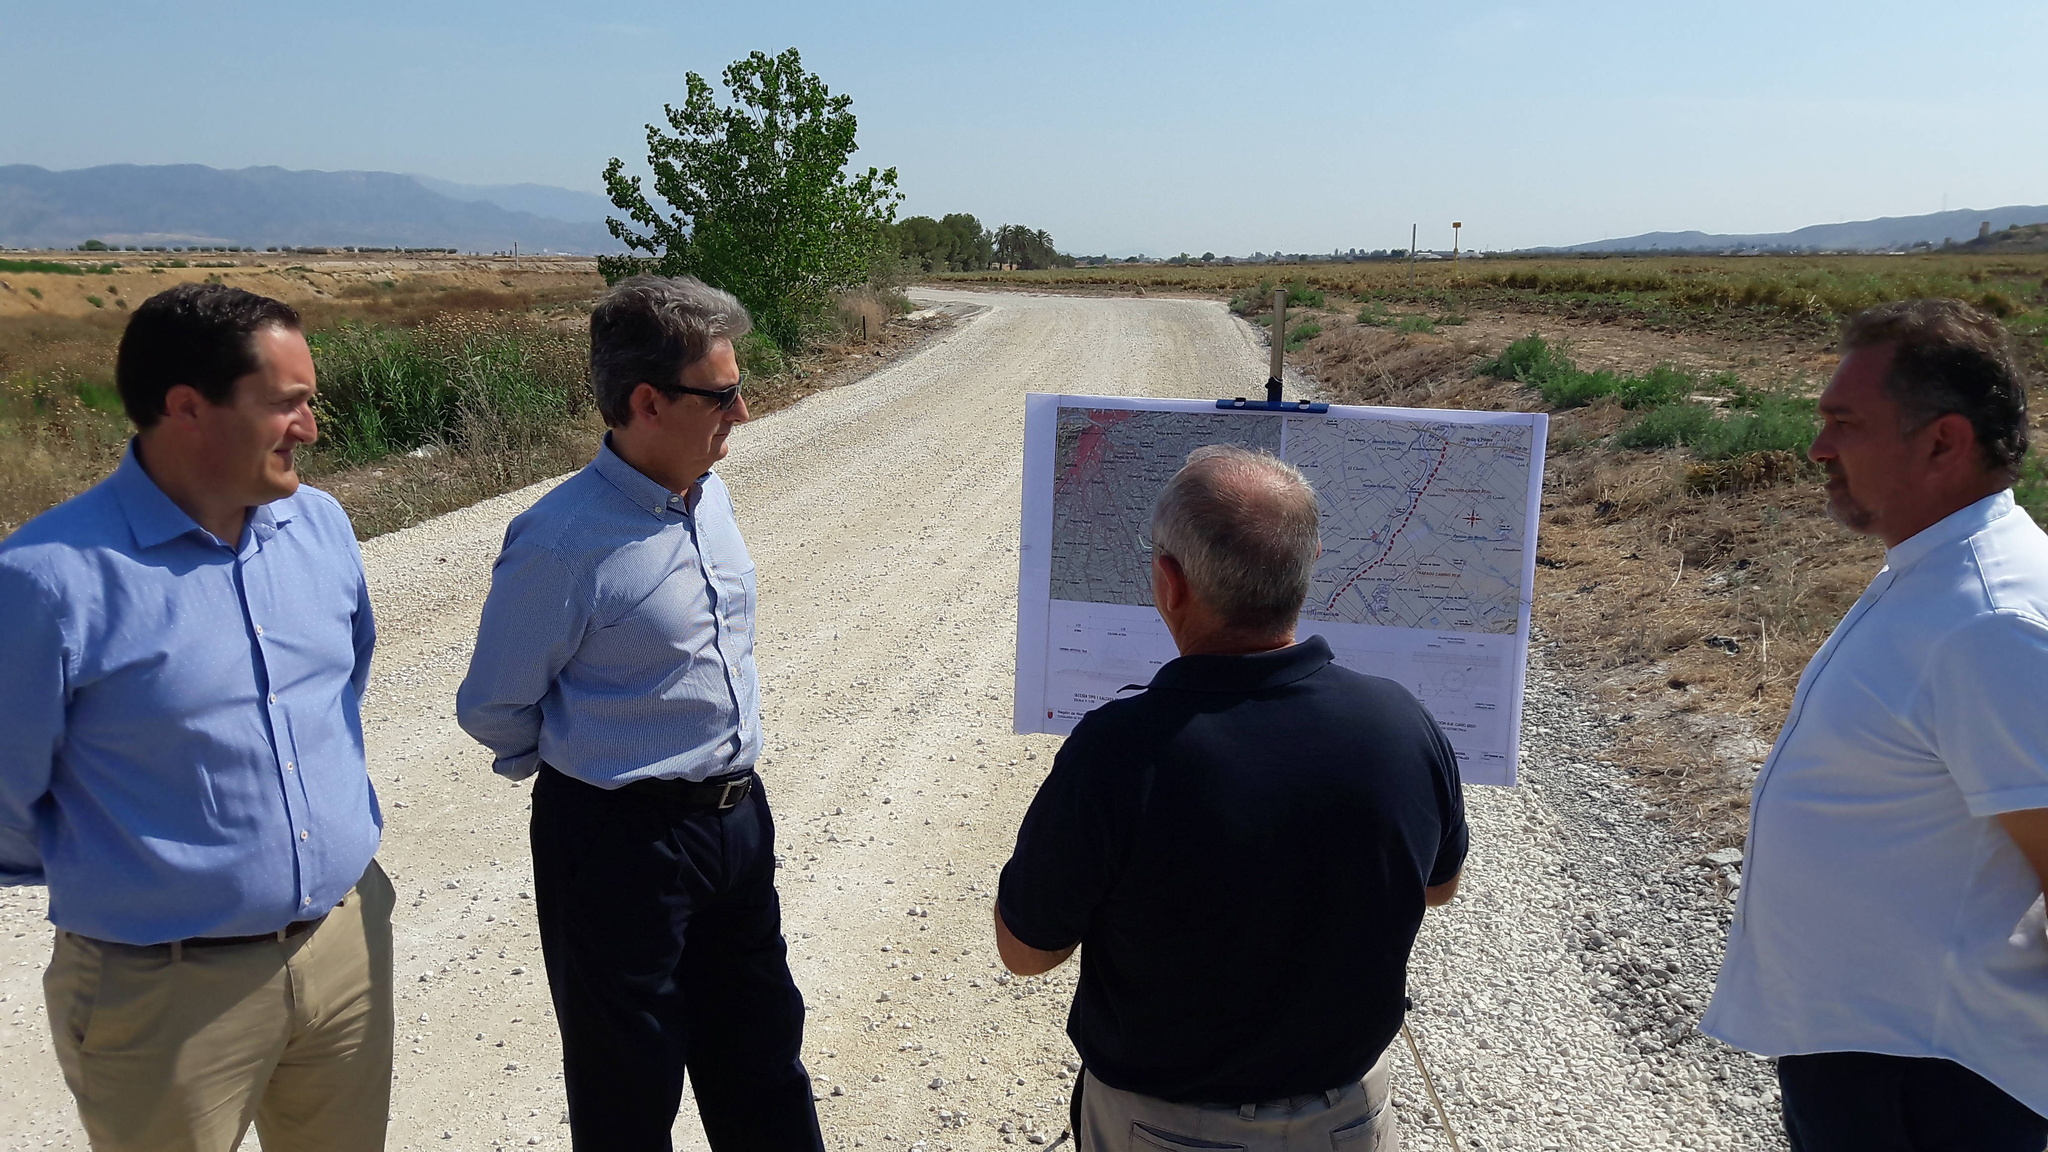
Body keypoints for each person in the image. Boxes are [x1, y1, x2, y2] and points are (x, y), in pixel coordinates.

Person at [0, 283, 392, 1152]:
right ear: (187, 409)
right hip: (164, 996)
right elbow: (6, 798)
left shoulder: (320, 525)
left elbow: (335, 697)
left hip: (344, 949)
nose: (312, 428)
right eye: (287, 404)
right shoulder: (46, 581)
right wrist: (141, 874)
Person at [995, 445, 1468, 1152]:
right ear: (1306, 571)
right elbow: (1439, 887)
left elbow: (1027, 952)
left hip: (1161, 1128)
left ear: (1169, 584)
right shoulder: (1403, 723)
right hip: (1349, 1122)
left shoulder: (1119, 750)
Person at [456, 275, 822, 1152]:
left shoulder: (713, 496)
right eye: (724, 394)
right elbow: (494, 704)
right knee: (629, 1093)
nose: (744, 411)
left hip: (735, 826)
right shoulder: (561, 540)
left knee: (765, 1066)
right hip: (618, 846)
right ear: (648, 401)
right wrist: (599, 773)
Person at [1702, 299, 2048, 1150]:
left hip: (1932, 1080)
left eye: (1844, 422)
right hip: (1880, 1054)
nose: (1817, 447)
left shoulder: (1991, 620)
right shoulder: (1934, 572)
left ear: (1943, 442)